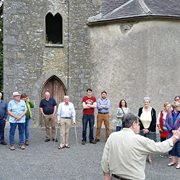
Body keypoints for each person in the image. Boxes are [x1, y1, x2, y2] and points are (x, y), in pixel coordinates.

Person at [101, 113, 180, 180]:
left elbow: (105, 158)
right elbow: (161, 147)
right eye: (139, 124)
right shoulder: (140, 140)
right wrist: (175, 137)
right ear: (133, 124)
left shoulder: (112, 136)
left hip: (115, 177)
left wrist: (106, 174)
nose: (139, 127)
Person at [138, 96, 156, 163]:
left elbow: (154, 121)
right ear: (143, 103)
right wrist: (143, 128)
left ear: (149, 103)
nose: (146, 103)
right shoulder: (140, 109)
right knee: (142, 144)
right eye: (145, 102)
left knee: (149, 144)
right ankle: (142, 157)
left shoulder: (152, 110)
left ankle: (149, 157)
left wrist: (148, 129)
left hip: (150, 130)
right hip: (142, 129)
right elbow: (139, 119)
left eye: (147, 102)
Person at [166, 101, 180, 169]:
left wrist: (177, 130)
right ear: (175, 107)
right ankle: (173, 161)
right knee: (172, 148)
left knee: (179, 148)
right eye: (178, 106)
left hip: (179, 133)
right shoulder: (169, 113)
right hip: (171, 133)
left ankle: (179, 163)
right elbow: (166, 123)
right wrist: (171, 130)